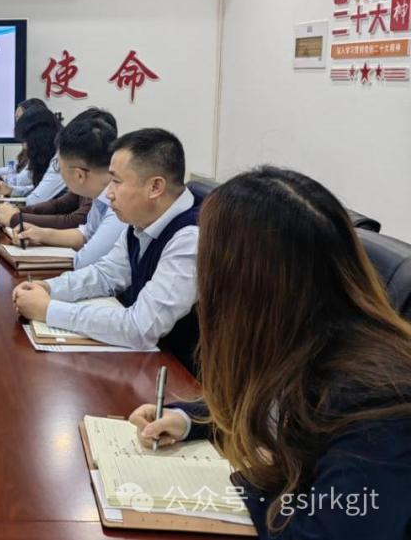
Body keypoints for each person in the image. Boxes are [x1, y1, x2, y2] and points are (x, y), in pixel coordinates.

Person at [128, 167, 411, 539]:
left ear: (245, 284)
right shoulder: (303, 336)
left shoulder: (379, 398)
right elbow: (273, 408)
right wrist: (188, 419)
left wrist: (244, 486)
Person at [11, 128, 199, 370]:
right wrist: (49, 288)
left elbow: (140, 328)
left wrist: (49, 310)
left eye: (117, 182)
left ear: (155, 187)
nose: (108, 193)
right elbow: (106, 274)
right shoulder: (141, 220)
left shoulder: (189, 238)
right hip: (144, 362)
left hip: (178, 375)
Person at [14, 115, 127, 268]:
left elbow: (85, 261)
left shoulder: (119, 206)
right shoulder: (100, 194)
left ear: (79, 175)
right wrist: (42, 234)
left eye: (58, 167)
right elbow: (85, 234)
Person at [0, 107, 117, 231]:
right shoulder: (93, 190)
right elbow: (80, 230)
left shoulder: (109, 199)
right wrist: (19, 213)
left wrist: (16, 218)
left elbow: (76, 221)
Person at [0, 105, 65, 205]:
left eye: (26, 141)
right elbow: (39, 189)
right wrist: (11, 190)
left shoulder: (61, 158)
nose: (25, 147)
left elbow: (35, 199)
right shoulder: (50, 153)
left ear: (39, 139)